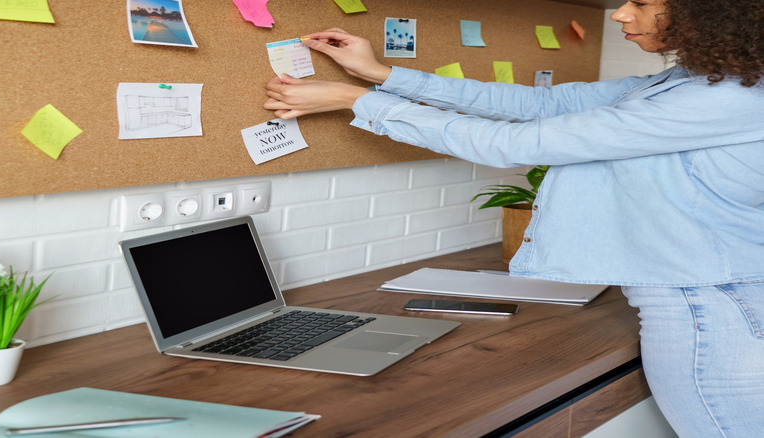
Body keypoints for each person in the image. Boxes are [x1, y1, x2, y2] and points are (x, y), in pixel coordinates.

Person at [264, 0, 764, 436]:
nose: (620, 13)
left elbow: (513, 144)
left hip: (711, 312)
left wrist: (357, 101)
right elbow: (541, 104)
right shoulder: (697, 81)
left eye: (641, 1)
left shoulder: (722, 99)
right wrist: (383, 76)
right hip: (711, 296)